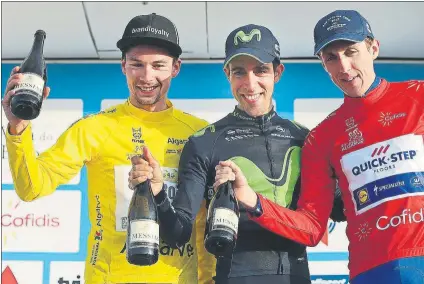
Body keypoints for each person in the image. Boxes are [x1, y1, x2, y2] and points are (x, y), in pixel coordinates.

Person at [213, 10, 424, 284]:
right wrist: (253, 200)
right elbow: (312, 228)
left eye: (351, 51)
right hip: (371, 271)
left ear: (373, 48)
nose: (344, 67)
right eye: (332, 58)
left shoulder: (417, 97)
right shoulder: (322, 137)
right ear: (323, 64)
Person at [2, 13, 214, 284]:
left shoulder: (199, 134)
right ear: (123, 65)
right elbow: (31, 187)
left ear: (176, 68)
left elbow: (203, 224)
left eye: (158, 65)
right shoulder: (94, 128)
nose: (147, 76)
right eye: (137, 64)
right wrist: (18, 127)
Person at [129, 23, 346, 284]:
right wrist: (158, 193)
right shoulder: (204, 142)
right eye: (239, 72)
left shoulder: (306, 139)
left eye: (261, 70)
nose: (250, 84)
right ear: (227, 74)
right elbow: (178, 234)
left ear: (278, 72)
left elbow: (339, 211)